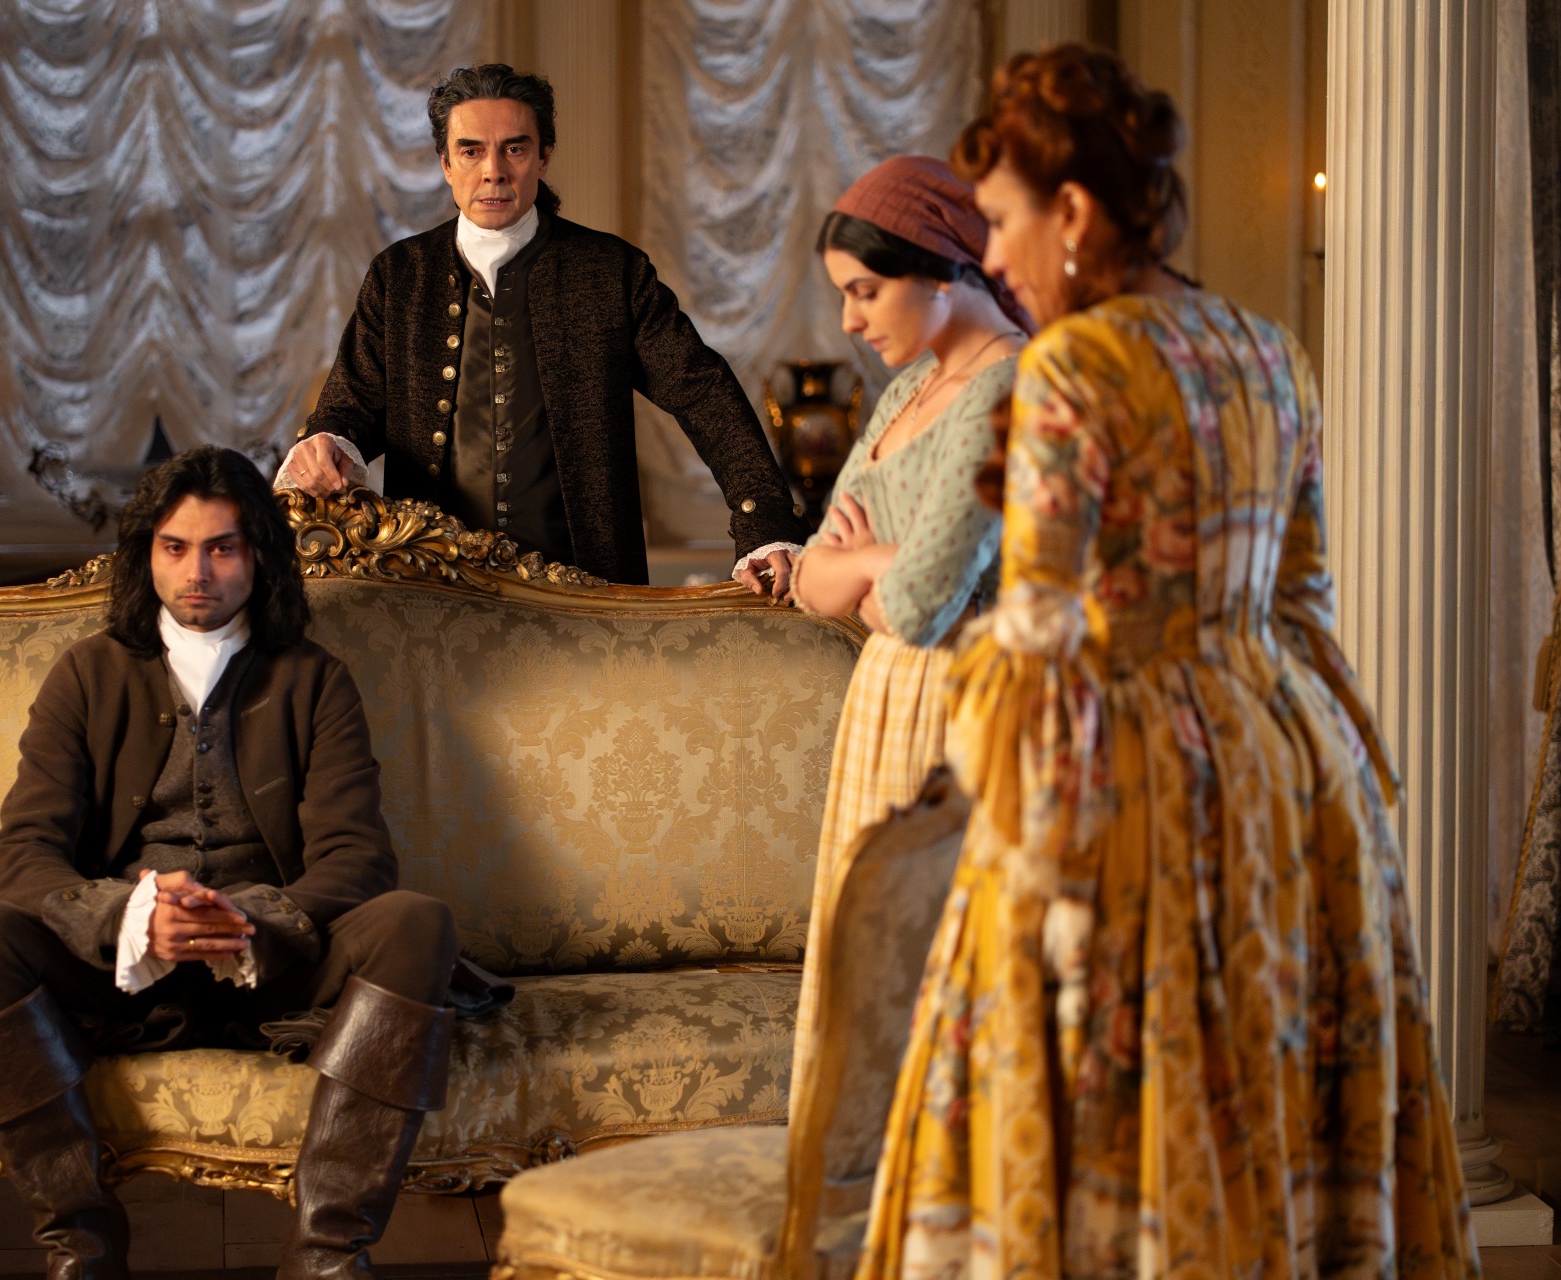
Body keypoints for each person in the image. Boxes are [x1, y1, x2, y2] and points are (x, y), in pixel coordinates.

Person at [859, 46, 1479, 1280]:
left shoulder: (1074, 366)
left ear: (1074, 211)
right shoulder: (1268, 350)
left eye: (1001, 221)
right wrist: (1339, 782)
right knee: (1265, 1055)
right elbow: (1305, 604)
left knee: (1097, 1091)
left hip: (1126, 774)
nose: (991, 256)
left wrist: (973, 790)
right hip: (1285, 765)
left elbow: (1039, 639)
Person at [0, 447, 484, 1280]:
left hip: (277, 969)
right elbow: (23, 852)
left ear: (258, 556)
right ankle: (81, 1247)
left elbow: (357, 857)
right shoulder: (86, 673)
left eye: (223, 548)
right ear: (147, 556)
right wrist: (129, 916)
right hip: (119, 977)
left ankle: (328, 1255)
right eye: (176, 547)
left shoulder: (315, 680)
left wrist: (251, 920)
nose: (198, 572)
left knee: (417, 923)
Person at [276, 63, 807, 591]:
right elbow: (350, 406)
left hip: (587, 588)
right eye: (471, 151)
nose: (493, 171)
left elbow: (702, 392)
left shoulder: (609, 271)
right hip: (430, 588)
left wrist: (765, 522)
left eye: (514, 148)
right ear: (446, 164)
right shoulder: (400, 275)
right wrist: (327, 442)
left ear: (543, 157)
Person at [786, 156, 1030, 1080]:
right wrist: (872, 563)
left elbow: (924, 607)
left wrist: (874, 567)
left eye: (866, 291)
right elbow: (812, 578)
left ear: (942, 268)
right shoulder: (905, 391)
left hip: (958, 710)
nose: (850, 321)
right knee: (870, 969)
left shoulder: (1007, 389)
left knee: (934, 978)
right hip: (882, 709)